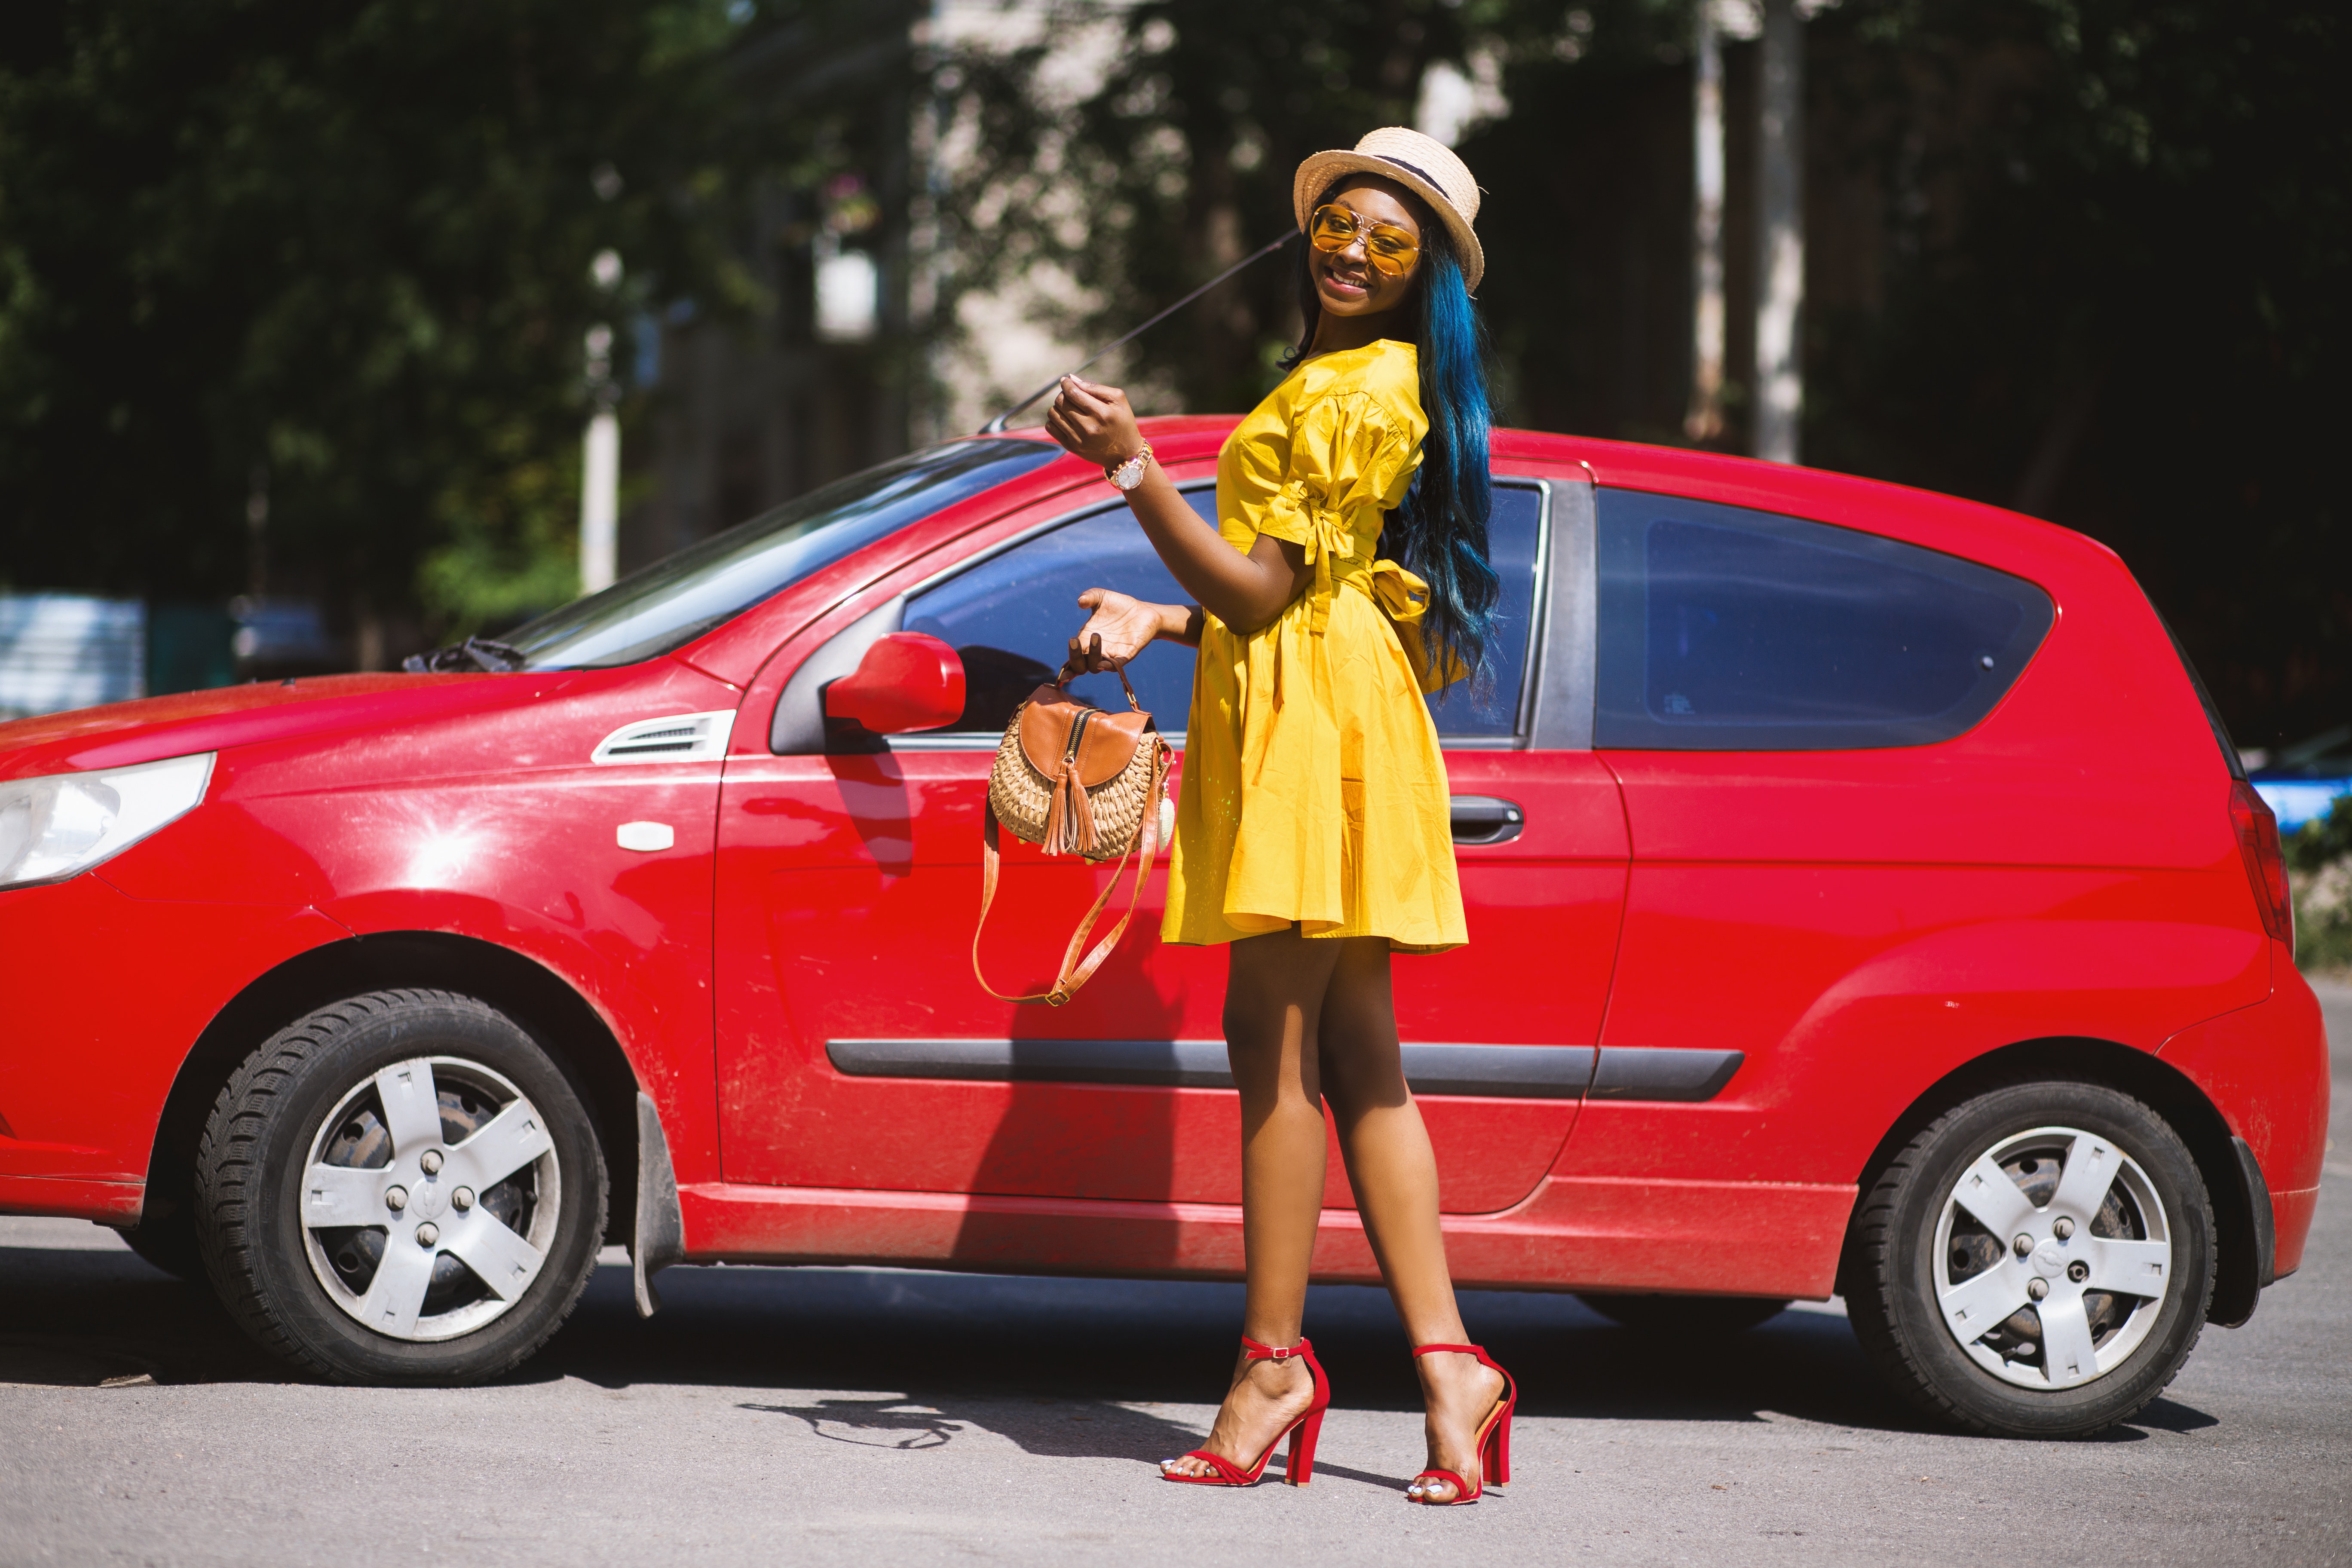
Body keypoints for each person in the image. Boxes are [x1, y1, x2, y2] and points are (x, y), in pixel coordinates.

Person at [1040, 128, 1517, 1505]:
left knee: (1275, 1047)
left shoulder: (1357, 389)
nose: (1353, 252)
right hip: (1325, 706)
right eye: (1341, 228)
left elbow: (1266, 598)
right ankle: (1451, 1371)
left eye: (1389, 241)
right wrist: (1162, 615)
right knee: (1364, 1063)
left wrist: (1132, 467)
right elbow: (1291, 599)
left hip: (1317, 732)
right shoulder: (1351, 379)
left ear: (1425, 271)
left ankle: (1271, 1366)